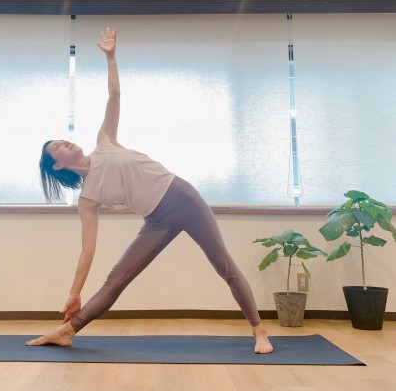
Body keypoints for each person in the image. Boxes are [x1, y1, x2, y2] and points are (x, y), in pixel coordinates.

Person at [27, 27, 273, 354]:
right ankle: (67, 331)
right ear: (57, 165)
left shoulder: (104, 142)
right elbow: (87, 251)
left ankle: (259, 331)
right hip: (157, 221)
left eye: (62, 139)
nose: (65, 142)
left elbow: (114, 96)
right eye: (58, 146)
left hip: (184, 199)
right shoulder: (87, 200)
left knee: (223, 265)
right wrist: (74, 292)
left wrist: (111, 58)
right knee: (116, 280)